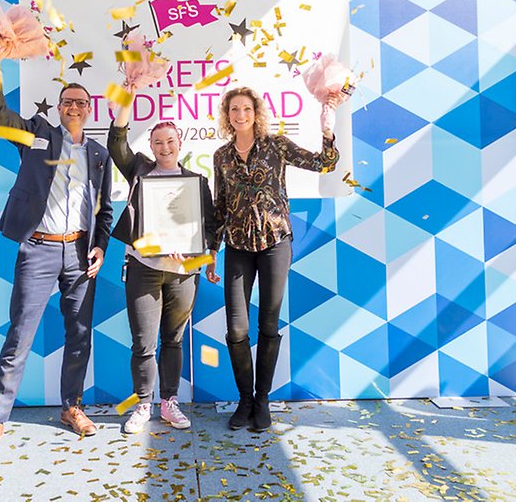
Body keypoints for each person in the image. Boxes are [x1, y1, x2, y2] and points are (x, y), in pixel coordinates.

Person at [0, 80, 114, 459]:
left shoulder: (99, 154)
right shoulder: (36, 135)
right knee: (19, 336)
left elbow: (105, 210)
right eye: (67, 101)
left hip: (81, 252)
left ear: (88, 109)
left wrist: (100, 246)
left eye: (80, 102)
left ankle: (71, 407)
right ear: (60, 107)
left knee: (80, 335)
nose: (73, 107)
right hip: (39, 249)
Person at [206, 85, 348, 432]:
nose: (240, 115)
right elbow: (219, 206)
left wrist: (327, 131)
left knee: (268, 325)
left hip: (274, 244)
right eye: (234, 109)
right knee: (237, 329)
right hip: (237, 247)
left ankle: (263, 399)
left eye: (246, 109)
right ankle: (245, 400)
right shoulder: (221, 156)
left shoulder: (277, 146)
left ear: (257, 113)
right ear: (227, 116)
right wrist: (212, 252)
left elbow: (323, 165)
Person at [107, 84, 217, 433]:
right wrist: (126, 95)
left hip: (183, 273)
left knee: (173, 339)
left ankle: (168, 402)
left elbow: (209, 226)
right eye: (158, 142)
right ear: (150, 147)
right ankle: (143, 404)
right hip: (144, 268)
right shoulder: (139, 170)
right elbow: (116, 142)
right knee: (143, 342)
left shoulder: (197, 181)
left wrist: (200, 253)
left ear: (180, 144)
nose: (164, 147)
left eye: (170, 141)